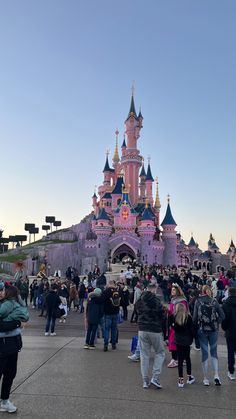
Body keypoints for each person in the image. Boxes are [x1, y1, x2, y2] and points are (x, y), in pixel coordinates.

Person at [0, 281, 29, 413]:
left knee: (10, 374)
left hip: (13, 345)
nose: (1, 293)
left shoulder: (11, 303)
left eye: (2, 290)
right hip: (2, 346)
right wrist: (17, 323)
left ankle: (4, 400)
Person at [135, 283, 165, 389]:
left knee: (144, 355)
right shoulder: (156, 301)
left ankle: (145, 380)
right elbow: (162, 315)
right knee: (160, 352)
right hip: (155, 329)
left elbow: (136, 309)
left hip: (142, 328)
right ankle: (155, 377)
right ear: (154, 290)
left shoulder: (140, 299)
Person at [193, 285, 225, 386]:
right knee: (214, 353)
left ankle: (206, 378)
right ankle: (216, 375)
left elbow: (194, 318)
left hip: (202, 329)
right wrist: (216, 322)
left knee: (205, 353)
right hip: (214, 330)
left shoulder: (198, 302)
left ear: (201, 291)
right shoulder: (214, 301)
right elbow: (222, 315)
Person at [170, 303, 195, 388]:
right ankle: (189, 376)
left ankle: (180, 379)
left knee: (180, 359)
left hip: (178, 340)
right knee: (187, 358)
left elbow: (172, 327)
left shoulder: (174, 317)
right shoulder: (188, 318)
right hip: (187, 340)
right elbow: (192, 329)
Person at [167, 284, 187, 368]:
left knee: (177, 341)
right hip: (172, 324)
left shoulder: (182, 301)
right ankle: (176, 358)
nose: (172, 291)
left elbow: (184, 313)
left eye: (174, 290)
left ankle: (176, 359)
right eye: (172, 290)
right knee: (172, 341)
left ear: (178, 291)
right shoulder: (172, 300)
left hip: (179, 323)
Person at [221, 287, 236, 380]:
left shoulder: (225, 304)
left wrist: (224, 328)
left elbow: (224, 319)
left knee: (230, 352)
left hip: (230, 331)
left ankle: (231, 372)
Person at [102, 280, 120, 352]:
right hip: (115, 312)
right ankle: (113, 344)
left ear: (109, 284)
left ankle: (106, 345)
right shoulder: (117, 291)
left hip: (107, 313)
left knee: (106, 329)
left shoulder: (106, 291)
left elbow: (101, 300)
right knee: (114, 329)